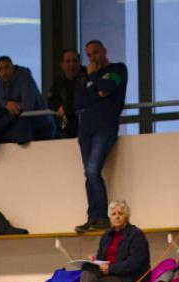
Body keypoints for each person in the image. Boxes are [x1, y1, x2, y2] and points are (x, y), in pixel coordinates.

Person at [73, 39, 127, 234]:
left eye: (95, 53)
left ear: (104, 51)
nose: (92, 58)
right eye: (89, 55)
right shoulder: (84, 77)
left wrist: (95, 77)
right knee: (88, 173)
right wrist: (98, 91)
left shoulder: (118, 69)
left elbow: (107, 87)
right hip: (86, 128)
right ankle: (92, 216)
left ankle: (103, 216)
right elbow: (79, 102)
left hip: (105, 126)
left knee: (93, 171)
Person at [0, 56, 55, 143]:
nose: (4, 72)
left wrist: (7, 106)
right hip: (20, 129)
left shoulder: (24, 77)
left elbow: (27, 107)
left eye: (6, 67)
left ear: (13, 67)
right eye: (0, 69)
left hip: (41, 129)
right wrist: (6, 104)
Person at [47, 48, 85, 140]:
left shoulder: (87, 76)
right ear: (62, 65)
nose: (71, 64)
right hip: (65, 127)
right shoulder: (59, 80)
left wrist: (65, 107)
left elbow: (86, 98)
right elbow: (51, 100)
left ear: (79, 62)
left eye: (74, 61)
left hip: (84, 125)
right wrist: (60, 107)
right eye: (68, 61)